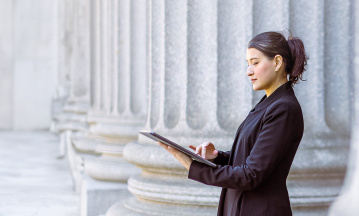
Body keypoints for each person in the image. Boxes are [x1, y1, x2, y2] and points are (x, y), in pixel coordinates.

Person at [159, 31, 308, 216]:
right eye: (248, 64)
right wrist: (216, 157)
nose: (249, 71)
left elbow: (251, 175)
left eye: (255, 62)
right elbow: (253, 158)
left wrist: (193, 167)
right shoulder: (269, 103)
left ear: (277, 62)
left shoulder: (283, 109)